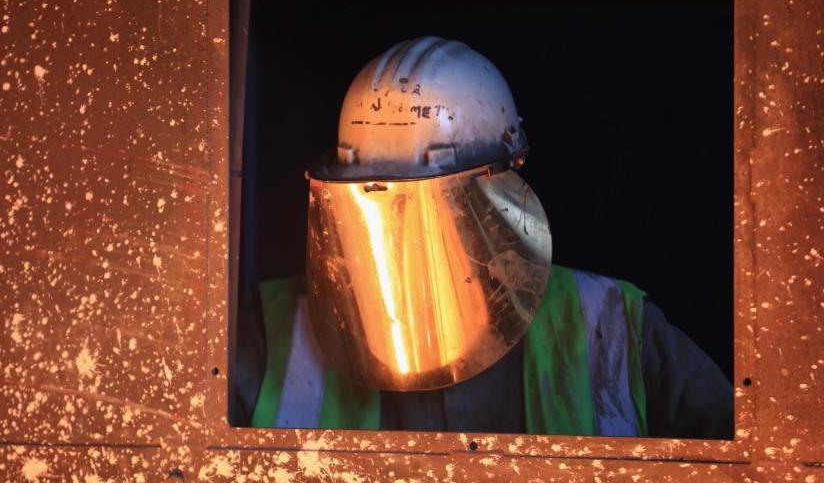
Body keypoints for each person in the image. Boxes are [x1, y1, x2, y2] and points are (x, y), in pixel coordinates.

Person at [234, 37, 732, 438]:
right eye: (380, 198)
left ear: (507, 181)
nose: (406, 235)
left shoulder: (612, 326)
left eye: (432, 203)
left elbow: (758, 455)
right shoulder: (270, 333)